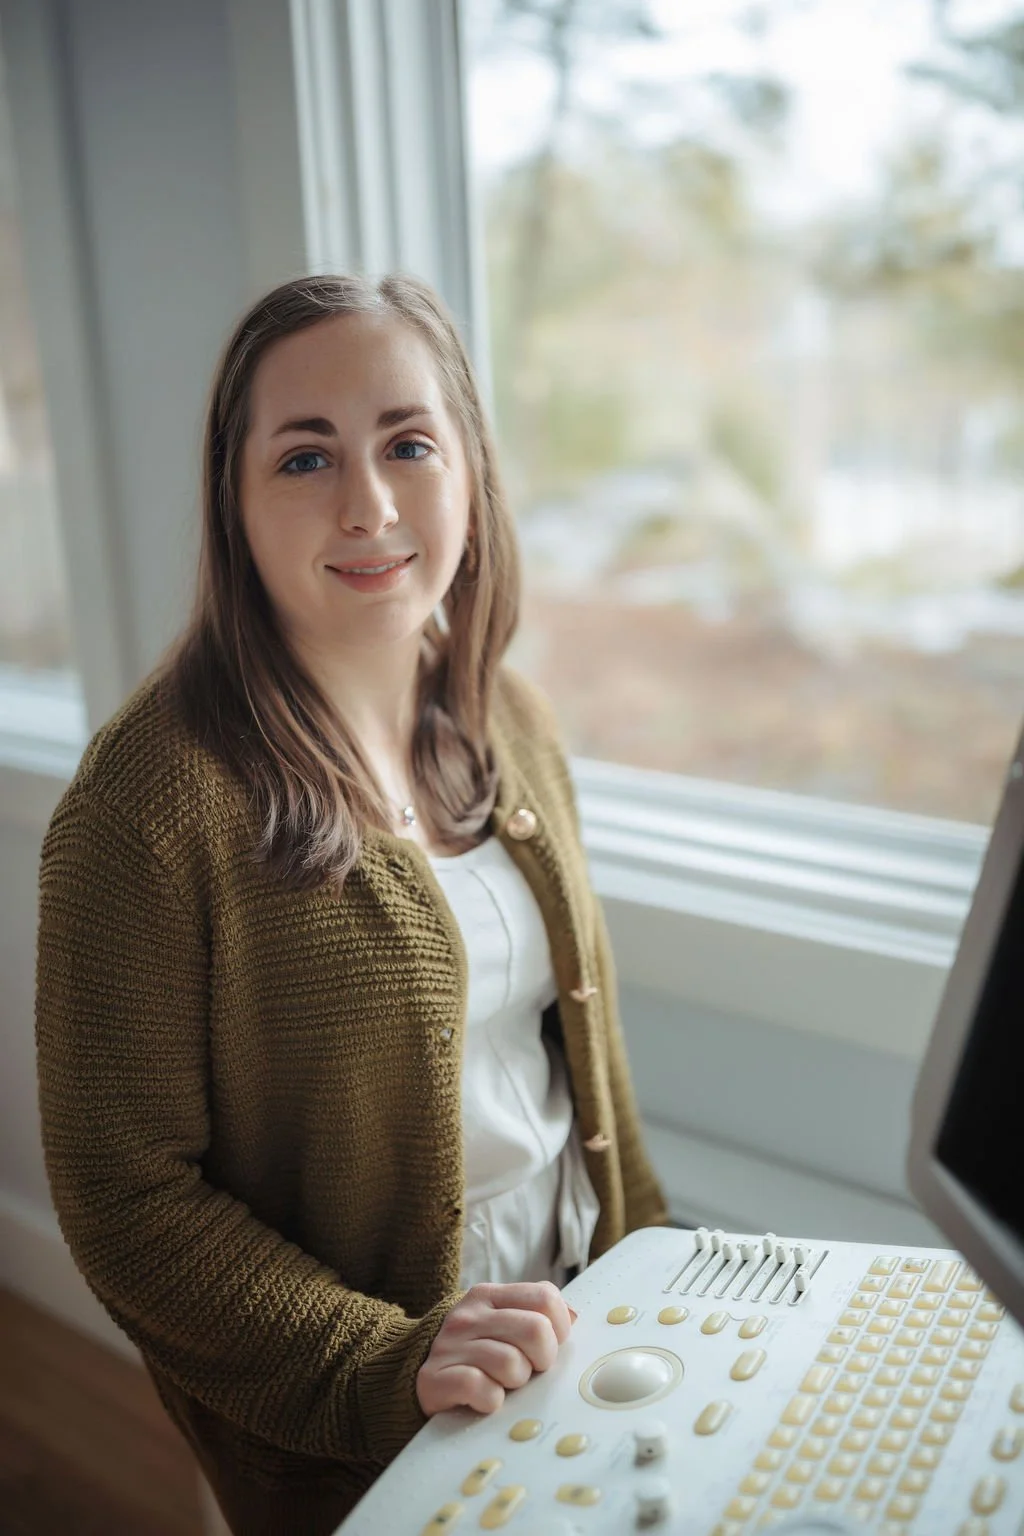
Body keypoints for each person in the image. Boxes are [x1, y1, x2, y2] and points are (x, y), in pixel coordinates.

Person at [34, 272, 669, 1536]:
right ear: (238, 502)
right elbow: (124, 1194)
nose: (370, 503)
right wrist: (378, 1367)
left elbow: (573, 1060)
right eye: (306, 457)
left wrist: (657, 1264)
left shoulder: (508, 717)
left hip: (583, 1320)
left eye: (409, 443)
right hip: (362, 1426)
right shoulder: (147, 805)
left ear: (469, 471)